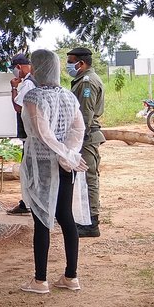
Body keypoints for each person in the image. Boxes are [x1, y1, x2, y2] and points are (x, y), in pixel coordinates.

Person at [19, 50, 91, 294]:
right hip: (65, 164)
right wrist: (69, 153)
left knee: (42, 218)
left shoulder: (33, 96)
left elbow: (42, 132)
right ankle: (71, 276)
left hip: (42, 163)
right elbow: (77, 129)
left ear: (37, 68)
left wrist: (63, 154)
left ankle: (40, 280)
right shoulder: (69, 96)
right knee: (65, 216)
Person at [66, 47, 105, 238]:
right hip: (86, 136)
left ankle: (92, 223)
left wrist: (76, 139)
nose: (69, 66)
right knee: (85, 177)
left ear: (81, 63)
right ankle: (86, 219)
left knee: (89, 178)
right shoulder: (84, 80)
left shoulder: (87, 83)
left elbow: (85, 115)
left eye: (71, 61)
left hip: (87, 137)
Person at [7, 53, 35, 216]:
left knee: (27, 171)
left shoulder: (27, 84)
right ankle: (27, 202)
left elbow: (18, 107)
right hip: (31, 134)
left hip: (29, 135)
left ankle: (27, 204)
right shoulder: (32, 81)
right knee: (29, 170)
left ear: (19, 67)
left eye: (14, 68)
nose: (15, 73)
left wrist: (13, 88)